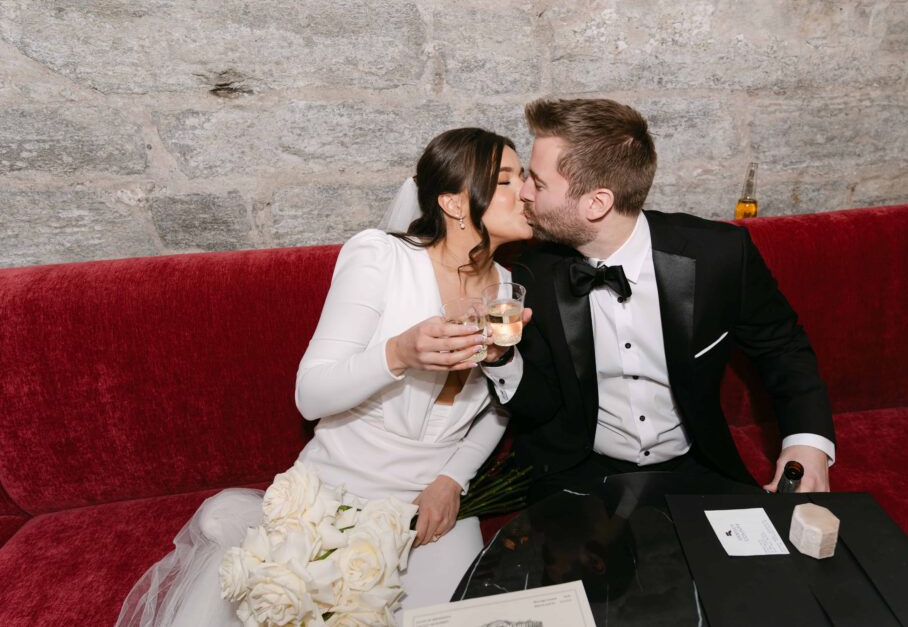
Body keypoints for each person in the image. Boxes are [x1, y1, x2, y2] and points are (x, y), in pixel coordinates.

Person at [116, 127, 532, 626]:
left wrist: (451, 479)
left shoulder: (506, 289)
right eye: (507, 180)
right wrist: (397, 352)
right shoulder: (380, 257)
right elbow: (310, 395)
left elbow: (498, 406)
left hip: (432, 507)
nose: (527, 191)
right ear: (455, 203)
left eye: (525, 177)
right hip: (342, 487)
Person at [481, 98, 835, 503]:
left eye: (538, 184)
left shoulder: (720, 256)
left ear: (596, 203)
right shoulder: (534, 273)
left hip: (693, 466)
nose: (523, 193)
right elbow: (539, 402)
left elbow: (783, 348)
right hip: (578, 472)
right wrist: (501, 359)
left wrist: (808, 442)